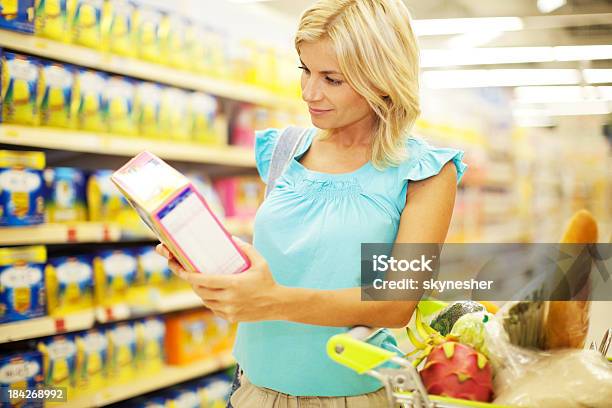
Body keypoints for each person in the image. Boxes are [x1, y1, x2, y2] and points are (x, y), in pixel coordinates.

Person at [156, 0, 467, 406]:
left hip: (354, 396)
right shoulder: (282, 150)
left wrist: (270, 300)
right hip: (252, 390)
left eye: (332, 79)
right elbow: (291, 256)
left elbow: (397, 303)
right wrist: (214, 262)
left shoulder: (424, 172)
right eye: (305, 69)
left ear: (382, 78)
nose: (308, 92)